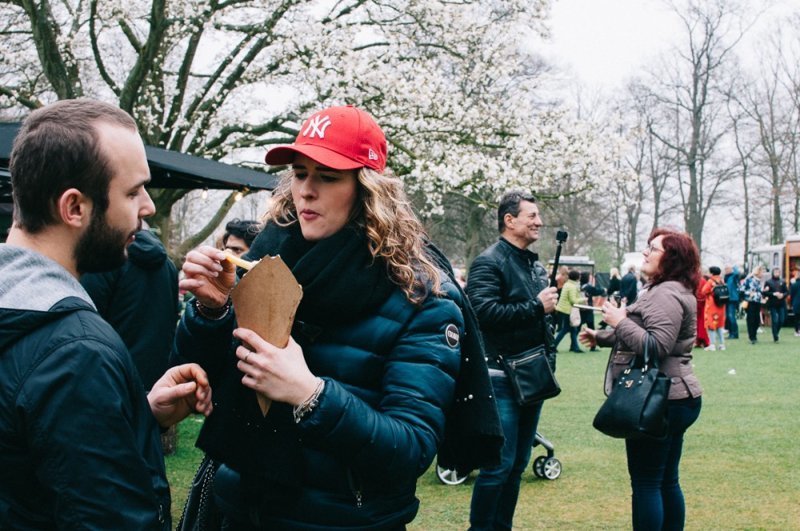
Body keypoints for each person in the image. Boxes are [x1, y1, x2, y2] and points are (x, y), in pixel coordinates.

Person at [173, 105, 466, 529]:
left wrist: (311, 394)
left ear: (369, 191)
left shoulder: (420, 297)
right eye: (299, 172)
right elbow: (202, 374)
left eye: (327, 177)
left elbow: (411, 448)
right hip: (240, 509)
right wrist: (210, 310)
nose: (307, 190)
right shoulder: (264, 261)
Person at [0, 99, 212, 529]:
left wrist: (133, 416)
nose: (149, 207)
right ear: (74, 207)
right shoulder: (77, 354)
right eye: (132, 191)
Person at [580, 228, 703, 531]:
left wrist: (620, 321)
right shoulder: (665, 289)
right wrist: (603, 336)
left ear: (672, 258)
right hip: (676, 396)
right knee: (665, 480)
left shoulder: (666, 293)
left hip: (661, 399)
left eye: (653, 249)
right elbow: (643, 331)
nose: (645, 253)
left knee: (648, 482)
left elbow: (656, 346)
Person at [465, 190, 559, 531]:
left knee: (519, 463)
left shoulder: (532, 264)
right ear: (509, 220)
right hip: (500, 377)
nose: (539, 221)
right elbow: (481, 312)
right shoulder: (488, 262)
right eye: (531, 215)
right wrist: (537, 306)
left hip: (532, 374)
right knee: (498, 465)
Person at [81, 225, 179, 389]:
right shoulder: (169, 267)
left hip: (109, 379)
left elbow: (86, 326)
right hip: (154, 381)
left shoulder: (104, 261)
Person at [553, 269, 586, 353]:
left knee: (573, 330)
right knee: (565, 329)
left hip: (562, 309)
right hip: (567, 310)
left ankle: (574, 347)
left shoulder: (567, 284)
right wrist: (583, 299)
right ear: (577, 277)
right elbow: (573, 300)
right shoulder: (572, 286)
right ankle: (553, 346)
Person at [700, 266, 726, 351]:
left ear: (711, 273)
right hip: (721, 306)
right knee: (719, 325)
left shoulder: (710, 281)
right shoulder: (722, 281)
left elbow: (703, 291)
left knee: (711, 325)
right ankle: (722, 344)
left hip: (712, 306)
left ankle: (712, 344)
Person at [579, 271, 605, 351]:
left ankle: (574, 345)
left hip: (581, 308)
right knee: (591, 327)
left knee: (576, 328)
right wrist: (603, 289)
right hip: (588, 309)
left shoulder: (580, 286)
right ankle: (593, 346)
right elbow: (597, 291)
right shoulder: (588, 287)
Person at [762, 267, 788, 342]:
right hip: (772, 303)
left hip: (781, 303)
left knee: (782, 320)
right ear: (773, 273)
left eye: (778, 272)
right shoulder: (768, 282)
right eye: (775, 272)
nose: (777, 273)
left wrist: (782, 295)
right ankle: (775, 336)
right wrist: (773, 294)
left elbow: (787, 291)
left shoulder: (782, 281)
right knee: (775, 320)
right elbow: (765, 292)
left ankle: (776, 332)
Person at [742, 266, 764, 344]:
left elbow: (760, 291)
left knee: (757, 319)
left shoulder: (760, 281)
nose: (763, 273)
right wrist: (749, 293)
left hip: (758, 301)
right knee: (751, 319)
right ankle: (752, 337)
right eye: (761, 272)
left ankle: (754, 335)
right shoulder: (749, 280)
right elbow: (742, 289)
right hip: (750, 301)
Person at [724, 264, 742, 339]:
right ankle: (731, 333)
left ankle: (735, 333)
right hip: (727, 299)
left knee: (731, 316)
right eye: (725, 269)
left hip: (733, 299)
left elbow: (738, 273)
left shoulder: (734, 276)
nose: (726, 270)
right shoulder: (726, 278)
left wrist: (734, 268)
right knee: (728, 317)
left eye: (727, 269)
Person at [790, 269, 800, 337]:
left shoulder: (793, 285)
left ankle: (797, 331)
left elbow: (791, 295)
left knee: (796, 318)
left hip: (796, 303)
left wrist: (791, 303)